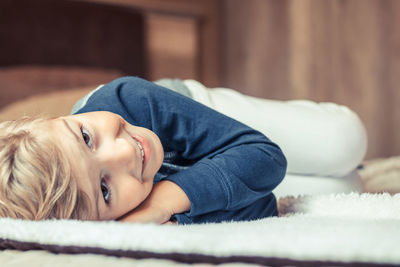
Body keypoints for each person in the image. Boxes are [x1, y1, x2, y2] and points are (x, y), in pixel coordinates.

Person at [0, 76, 367, 224]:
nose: (124, 154)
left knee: (344, 142)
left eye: (85, 137)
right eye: (104, 189)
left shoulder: (126, 101)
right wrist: (173, 211)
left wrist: (165, 201)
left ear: (56, 119)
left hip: (196, 111)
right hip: (199, 168)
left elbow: (264, 156)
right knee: (345, 190)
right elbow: (263, 205)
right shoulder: (126, 222)